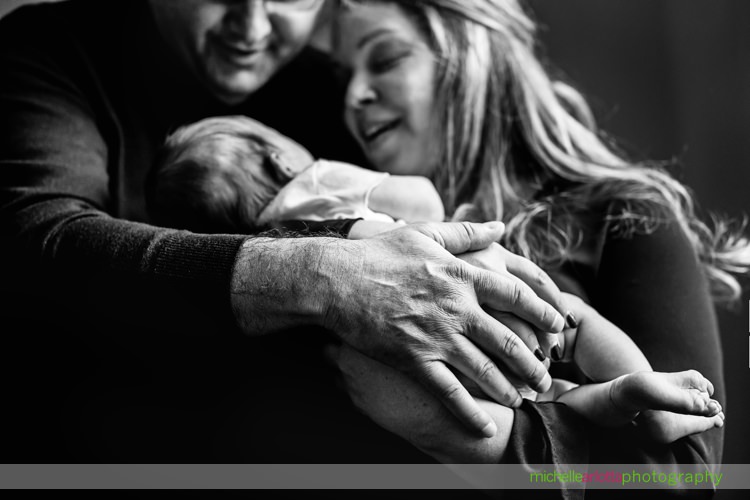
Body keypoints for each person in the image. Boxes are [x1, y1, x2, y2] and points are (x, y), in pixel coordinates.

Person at [0, 0, 574, 463]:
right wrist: (324, 278)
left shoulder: (333, 94)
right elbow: (36, 243)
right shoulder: (52, 52)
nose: (250, 24)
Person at [326, 0, 749, 472]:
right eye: (344, 78)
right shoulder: (360, 245)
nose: (354, 95)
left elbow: (681, 472)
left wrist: (476, 438)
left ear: (470, 55)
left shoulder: (621, 215)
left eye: (384, 60)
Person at [150, 113, 726, 445]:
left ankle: (615, 400)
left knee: (543, 400)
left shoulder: (282, 259)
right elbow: (420, 198)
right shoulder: (318, 181)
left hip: (421, 364)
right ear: (277, 160)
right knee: (571, 320)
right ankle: (645, 386)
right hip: (473, 294)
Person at [147, 115, 445, 233]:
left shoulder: (275, 239)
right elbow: (425, 202)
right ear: (280, 162)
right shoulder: (318, 178)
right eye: (274, 131)